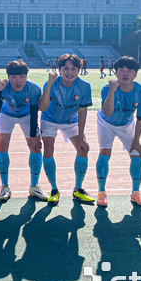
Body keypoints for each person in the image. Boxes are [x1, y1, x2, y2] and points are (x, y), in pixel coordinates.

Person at [38, 54, 94, 204]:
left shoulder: (84, 86)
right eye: (66, 68)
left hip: (71, 120)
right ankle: (54, 189)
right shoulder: (51, 83)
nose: (69, 72)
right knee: (48, 148)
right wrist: (49, 84)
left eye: (74, 69)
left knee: (83, 148)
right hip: (50, 119)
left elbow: (82, 112)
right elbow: (42, 107)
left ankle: (78, 189)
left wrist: (81, 135)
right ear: (60, 69)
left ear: (79, 70)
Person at [96, 56, 141, 207]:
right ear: (116, 72)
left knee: (136, 153)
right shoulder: (107, 89)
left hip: (126, 124)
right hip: (105, 123)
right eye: (121, 70)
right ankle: (101, 192)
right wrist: (112, 92)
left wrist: (136, 141)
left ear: (135, 74)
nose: (125, 73)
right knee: (105, 153)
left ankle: (136, 192)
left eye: (129, 70)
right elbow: (107, 112)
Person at [0, 60, 43, 201]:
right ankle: (5, 186)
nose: (17, 81)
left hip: (27, 115)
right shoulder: (4, 87)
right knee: (2, 145)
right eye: (13, 77)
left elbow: (34, 113)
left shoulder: (34, 89)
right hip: (7, 114)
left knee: (36, 146)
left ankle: (34, 186)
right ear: (8, 77)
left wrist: (33, 136)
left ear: (26, 76)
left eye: (21, 76)